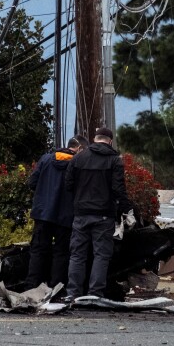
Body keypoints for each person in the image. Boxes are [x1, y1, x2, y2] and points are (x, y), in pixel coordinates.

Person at [64, 127, 133, 300]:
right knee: (101, 255)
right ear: (110, 141)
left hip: (80, 213)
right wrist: (127, 209)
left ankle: (73, 293)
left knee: (77, 254)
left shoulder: (78, 157)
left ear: (95, 139)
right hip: (104, 214)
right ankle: (95, 293)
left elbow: (68, 185)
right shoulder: (114, 160)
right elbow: (118, 189)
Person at [24, 135, 88, 291]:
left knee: (38, 250)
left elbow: (32, 183)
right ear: (80, 148)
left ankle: (32, 286)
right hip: (66, 216)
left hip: (43, 214)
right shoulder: (78, 164)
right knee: (62, 253)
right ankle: (56, 288)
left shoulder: (46, 159)